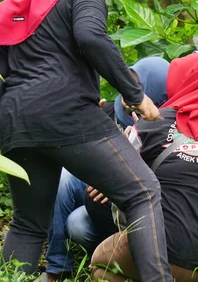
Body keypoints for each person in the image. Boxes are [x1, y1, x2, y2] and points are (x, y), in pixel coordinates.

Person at [0, 0, 173, 281]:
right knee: (143, 192)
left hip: (15, 122)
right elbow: (91, 36)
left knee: (28, 224)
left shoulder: (22, 5)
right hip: (66, 116)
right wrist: (134, 94)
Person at [89, 52, 198, 281]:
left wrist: (133, 237)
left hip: (167, 253)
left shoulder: (148, 124)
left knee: (102, 262)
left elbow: (124, 193)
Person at [43, 56, 170, 281]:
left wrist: (114, 177)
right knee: (63, 178)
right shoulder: (109, 109)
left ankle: (113, 256)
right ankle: (57, 265)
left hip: (129, 195)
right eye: (124, 82)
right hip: (100, 183)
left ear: (156, 90)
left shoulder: (164, 125)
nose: (127, 91)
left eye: (136, 86)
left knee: (77, 224)